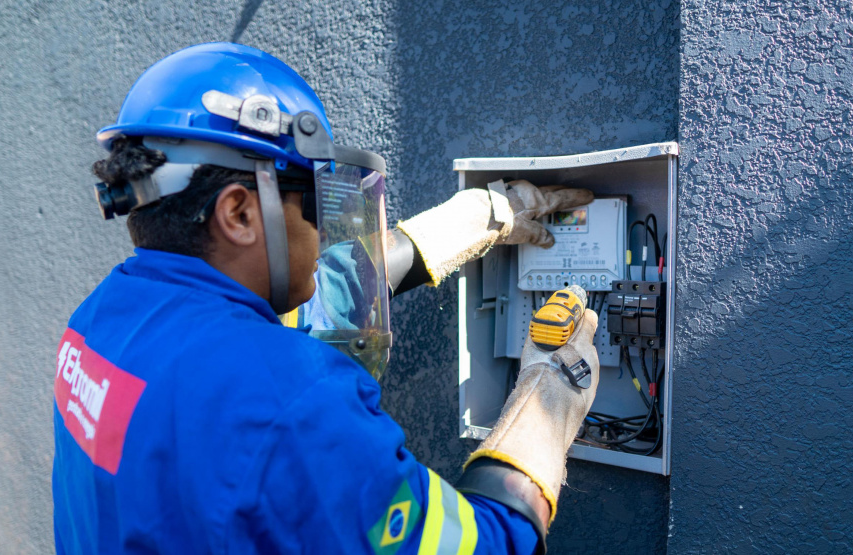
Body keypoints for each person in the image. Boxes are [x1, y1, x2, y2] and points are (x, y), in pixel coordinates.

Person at [53, 42, 601, 554]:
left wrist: (470, 221)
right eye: (316, 205)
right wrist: (548, 393)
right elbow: (489, 545)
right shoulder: (292, 404)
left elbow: (301, 318)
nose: (321, 236)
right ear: (239, 213)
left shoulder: (97, 325)